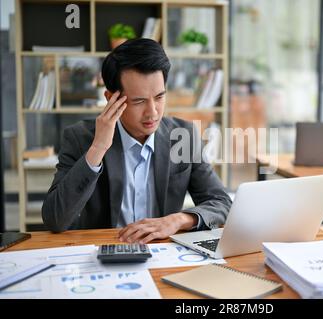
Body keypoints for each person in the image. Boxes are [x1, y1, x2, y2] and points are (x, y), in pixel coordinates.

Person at [42, 38, 232, 244]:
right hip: (104, 250)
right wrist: (98, 148)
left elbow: (221, 203)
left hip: (162, 252)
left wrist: (178, 220)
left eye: (159, 97)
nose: (152, 112)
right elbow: (55, 219)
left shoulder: (183, 136)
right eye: (139, 101)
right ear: (111, 98)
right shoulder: (80, 138)